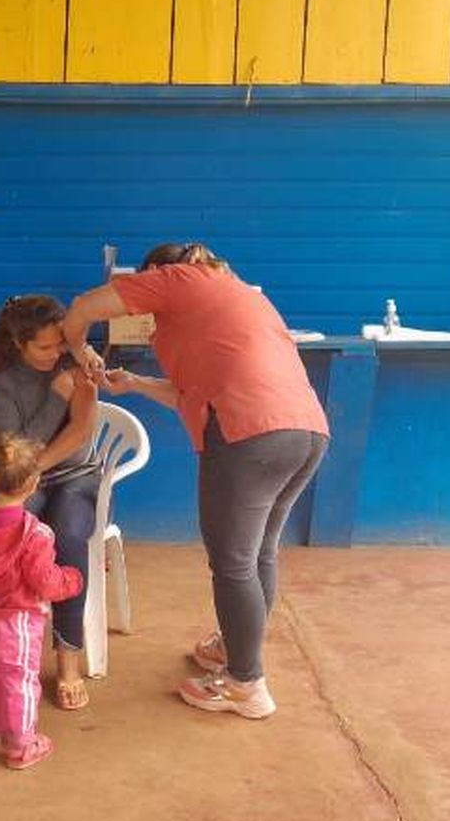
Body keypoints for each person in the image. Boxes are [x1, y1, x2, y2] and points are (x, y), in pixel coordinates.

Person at [62, 242, 330, 720]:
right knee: (257, 555)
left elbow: (83, 308)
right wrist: (138, 385)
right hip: (304, 431)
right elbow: (191, 393)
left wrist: (78, 346)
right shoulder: (236, 294)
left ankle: (245, 685)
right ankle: (235, 650)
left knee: (233, 565)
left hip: (249, 436)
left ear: (158, 273)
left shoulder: (178, 280)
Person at [0, 295, 100, 711]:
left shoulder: (74, 366)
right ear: (18, 343)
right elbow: (16, 447)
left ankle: (68, 660)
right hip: (23, 478)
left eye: (60, 344)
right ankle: (9, 644)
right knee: (9, 535)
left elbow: (81, 431)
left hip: (74, 478)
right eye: (44, 347)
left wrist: (35, 471)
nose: (55, 354)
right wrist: (55, 398)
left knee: (67, 537)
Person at [0, 433, 83, 770]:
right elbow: (45, 580)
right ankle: (22, 744)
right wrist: (72, 580)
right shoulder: (34, 533)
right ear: (33, 483)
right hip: (19, 620)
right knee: (20, 678)